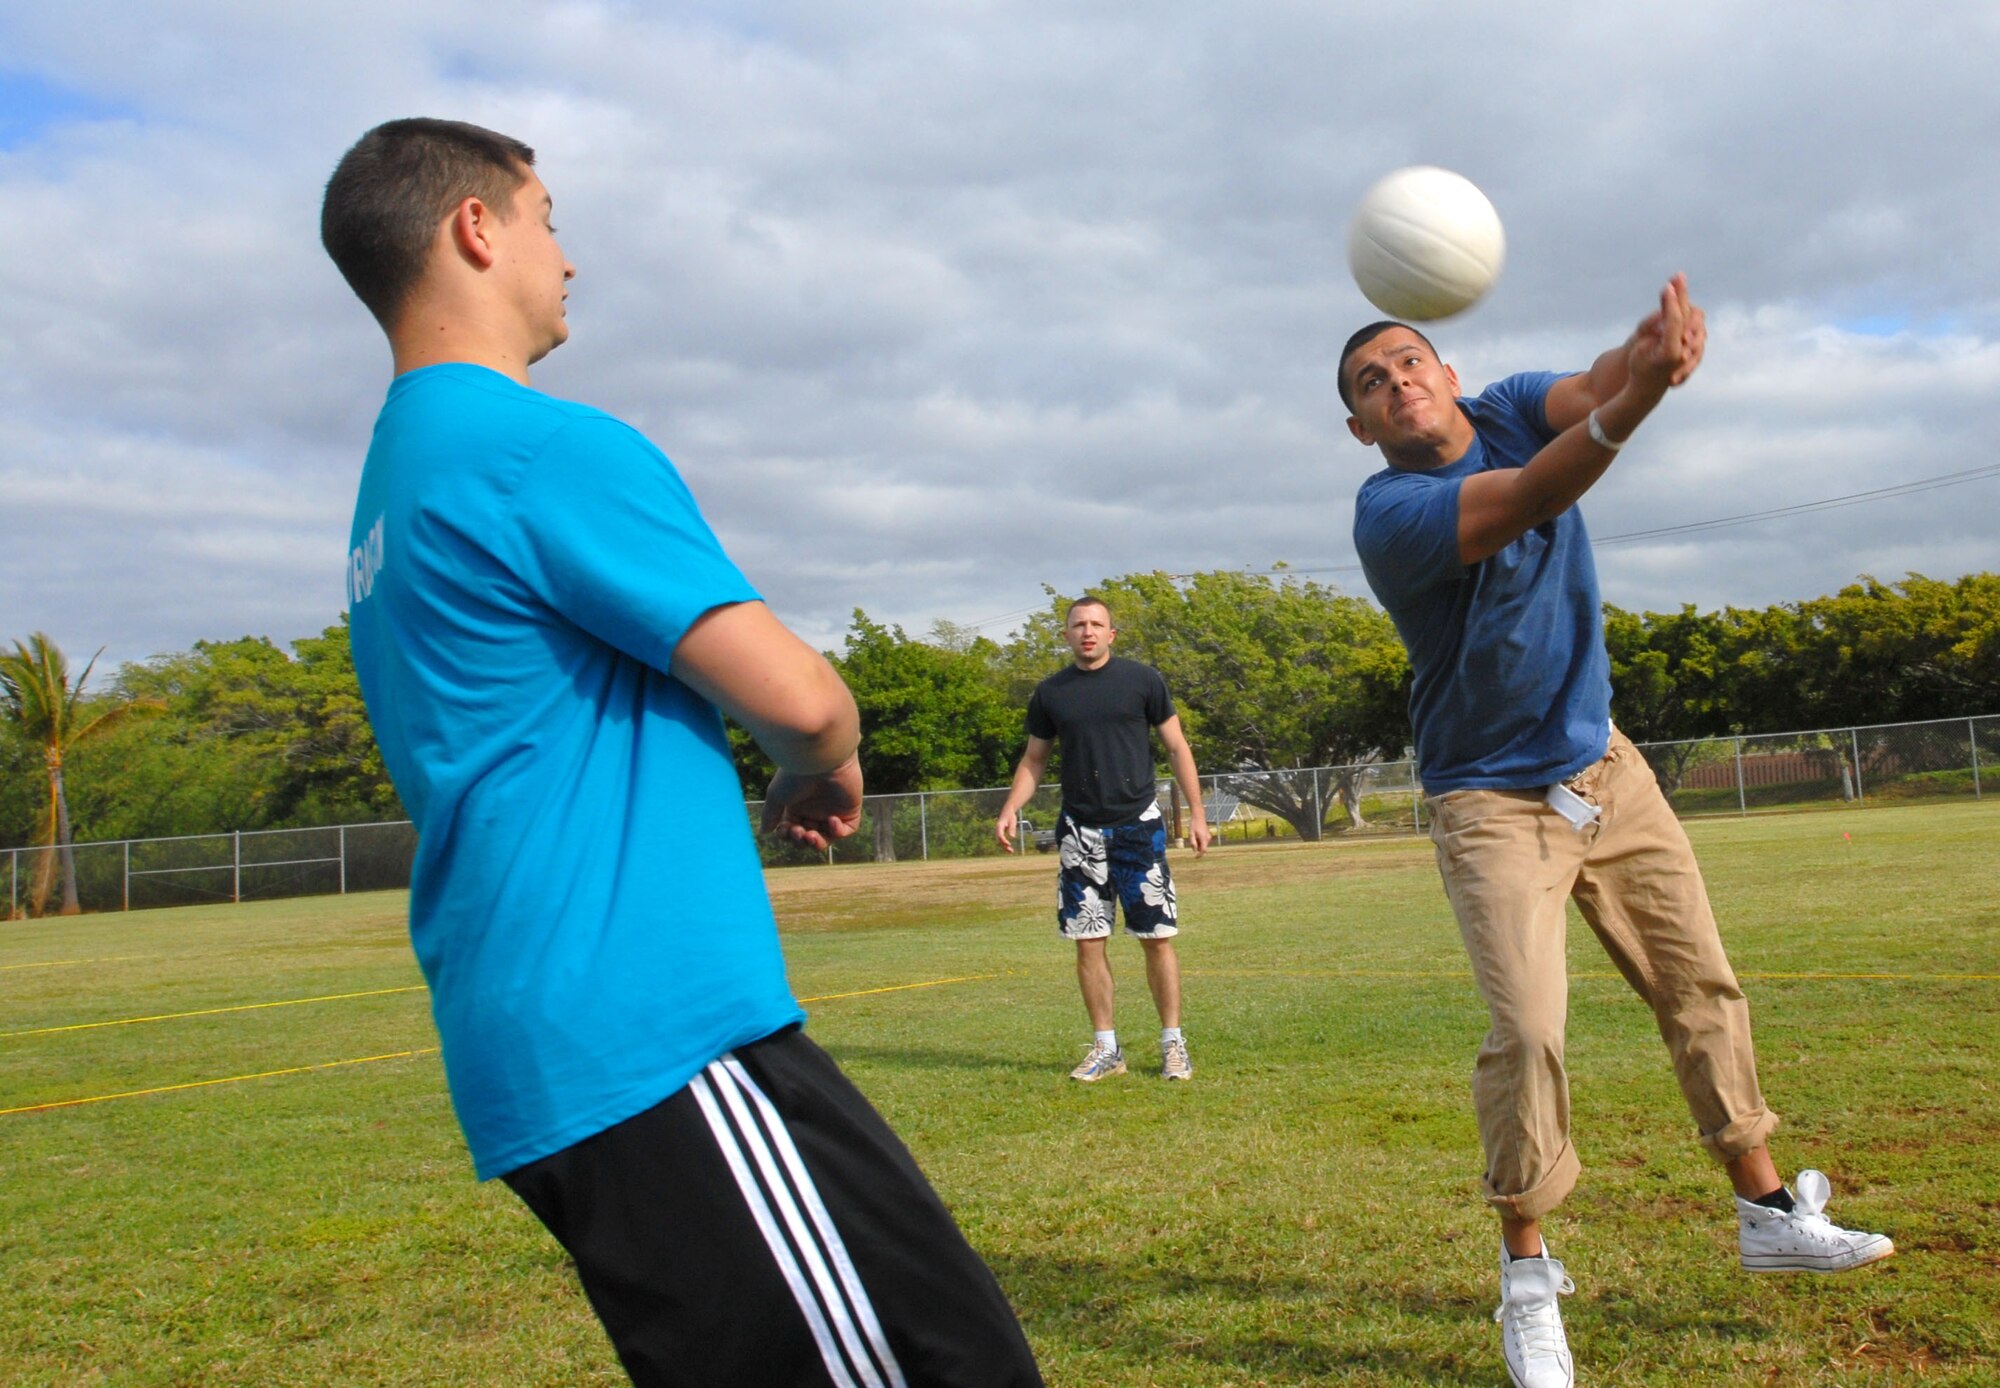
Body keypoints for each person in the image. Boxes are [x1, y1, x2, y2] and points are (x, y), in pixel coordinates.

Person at [322, 118, 1042, 1388]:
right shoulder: (535, 444)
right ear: (475, 230)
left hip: (529, 1042)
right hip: (649, 1023)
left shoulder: (393, 482)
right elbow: (804, 700)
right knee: (949, 1363)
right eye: (546, 215)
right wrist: (819, 759)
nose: (567, 257)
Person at [1340, 277, 1892, 1388]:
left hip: (1603, 769)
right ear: (1358, 426)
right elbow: (1539, 490)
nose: (1396, 381)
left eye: (1408, 360)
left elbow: (1583, 389)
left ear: (1444, 375)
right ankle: (1528, 1278)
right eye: (1368, 383)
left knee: (1699, 983)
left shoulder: (1502, 400)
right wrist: (1632, 404)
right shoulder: (1386, 512)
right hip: (1489, 801)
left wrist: (1637, 363)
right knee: (1530, 1030)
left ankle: (1766, 1209)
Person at [994, 597, 1211, 1082]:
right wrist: (1011, 807)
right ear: (1067, 634)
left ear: (1112, 634)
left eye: (1097, 624)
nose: (1087, 632)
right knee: (1088, 942)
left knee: (1157, 939)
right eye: (1078, 625)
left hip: (1139, 827)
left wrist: (1197, 814)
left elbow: (1177, 747)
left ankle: (1173, 1045)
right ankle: (1106, 1049)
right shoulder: (1051, 694)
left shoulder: (1143, 681)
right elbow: (1034, 761)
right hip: (1080, 832)